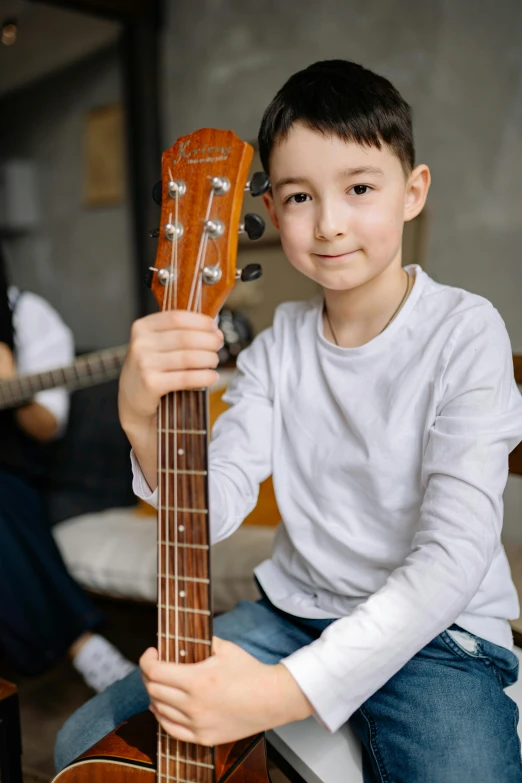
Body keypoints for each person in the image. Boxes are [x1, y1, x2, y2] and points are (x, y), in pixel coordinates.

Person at [54, 60, 522, 781]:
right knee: (82, 743)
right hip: (292, 612)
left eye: (360, 188)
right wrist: (140, 420)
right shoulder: (275, 351)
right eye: (301, 196)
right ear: (273, 213)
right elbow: (208, 513)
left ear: (413, 192)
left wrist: (274, 695)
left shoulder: (467, 332)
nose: (330, 223)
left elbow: (452, 559)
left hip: (438, 634)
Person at [0, 246, 135, 692]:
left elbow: (46, 427)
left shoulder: (28, 315)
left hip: (21, 468)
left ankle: (85, 647)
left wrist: (11, 385)